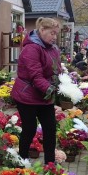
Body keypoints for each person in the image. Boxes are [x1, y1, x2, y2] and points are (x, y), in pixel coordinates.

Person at [11, 17, 61, 164]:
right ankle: (23, 162)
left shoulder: (52, 48)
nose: (54, 37)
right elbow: (35, 76)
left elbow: (57, 69)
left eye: (56, 34)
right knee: (30, 129)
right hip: (27, 96)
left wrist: (65, 84)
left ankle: (50, 165)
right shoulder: (31, 48)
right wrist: (52, 89)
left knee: (50, 129)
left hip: (44, 96)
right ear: (42, 30)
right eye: (52, 33)